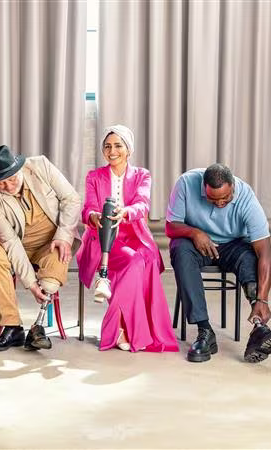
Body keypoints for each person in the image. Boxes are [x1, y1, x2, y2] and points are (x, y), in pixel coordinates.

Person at [166, 163, 271, 363]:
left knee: (250, 257)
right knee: (180, 250)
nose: (220, 203)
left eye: (226, 197)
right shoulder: (186, 183)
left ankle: (258, 330)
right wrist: (194, 232)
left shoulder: (247, 198)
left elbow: (265, 252)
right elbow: (171, 227)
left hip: (233, 245)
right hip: (196, 244)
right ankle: (205, 332)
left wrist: (263, 299)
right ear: (203, 188)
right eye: (213, 199)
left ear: (233, 186)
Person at [77, 125, 178, 352]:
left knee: (148, 260)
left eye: (118, 146)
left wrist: (125, 213)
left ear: (128, 149)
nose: (112, 151)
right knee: (134, 262)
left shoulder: (142, 175)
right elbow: (88, 208)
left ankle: (142, 329)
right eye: (107, 146)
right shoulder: (94, 176)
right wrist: (93, 216)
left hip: (134, 235)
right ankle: (120, 327)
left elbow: (143, 204)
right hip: (103, 240)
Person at [0, 145, 82, 352]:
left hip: (53, 240)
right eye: (0, 183)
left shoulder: (40, 166)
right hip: (17, 244)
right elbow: (10, 242)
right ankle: (12, 327)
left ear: (19, 169)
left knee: (50, 281)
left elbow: (72, 199)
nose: (8, 186)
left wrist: (63, 236)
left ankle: (38, 326)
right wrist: (30, 284)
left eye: (11, 179)